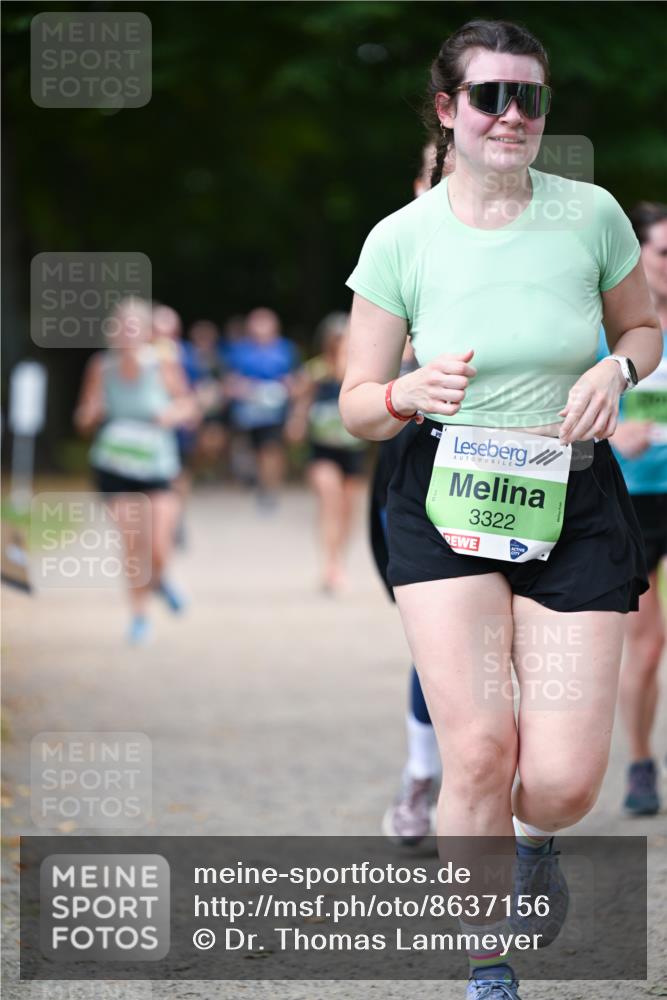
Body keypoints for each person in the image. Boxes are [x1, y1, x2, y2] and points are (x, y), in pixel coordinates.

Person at [340, 18, 662, 999]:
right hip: (443, 495)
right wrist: (405, 393)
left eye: (529, 96)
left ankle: (537, 839)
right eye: (488, 96)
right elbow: (355, 402)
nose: (511, 114)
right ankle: (488, 961)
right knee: (477, 745)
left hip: (575, 496)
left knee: (563, 778)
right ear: (448, 110)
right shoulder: (401, 238)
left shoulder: (592, 214)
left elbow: (642, 327)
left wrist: (616, 369)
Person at [75, 297, 199, 644]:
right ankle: (140, 616)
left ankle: (160, 579)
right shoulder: (100, 366)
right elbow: (83, 417)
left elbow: (189, 405)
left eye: (133, 327)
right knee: (133, 543)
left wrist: (172, 414)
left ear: (146, 333)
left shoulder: (163, 363)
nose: (126, 334)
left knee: (158, 545)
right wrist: (90, 413)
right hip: (115, 464)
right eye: (119, 327)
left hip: (157, 464)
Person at [599, 202, 667, 815]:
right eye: (664, 252)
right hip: (634, 498)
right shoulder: (612, 331)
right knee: (646, 645)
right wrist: (615, 434)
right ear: (640, 256)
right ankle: (642, 761)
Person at [287, 312, 367, 593]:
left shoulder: (361, 374)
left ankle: (338, 561)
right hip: (322, 449)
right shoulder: (316, 371)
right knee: (330, 499)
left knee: (348, 509)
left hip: (353, 451)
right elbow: (301, 402)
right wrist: (296, 421)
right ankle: (330, 565)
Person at [225, 308, 300, 509]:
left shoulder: (286, 349)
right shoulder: (240, 350)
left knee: (271, 449)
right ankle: (255, 480)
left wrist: (288, 389)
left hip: (276, 411)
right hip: (248, 412)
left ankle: (270, 489)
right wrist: (241, 388)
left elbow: (296, 380)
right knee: (251, 451)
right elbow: (229, 381)